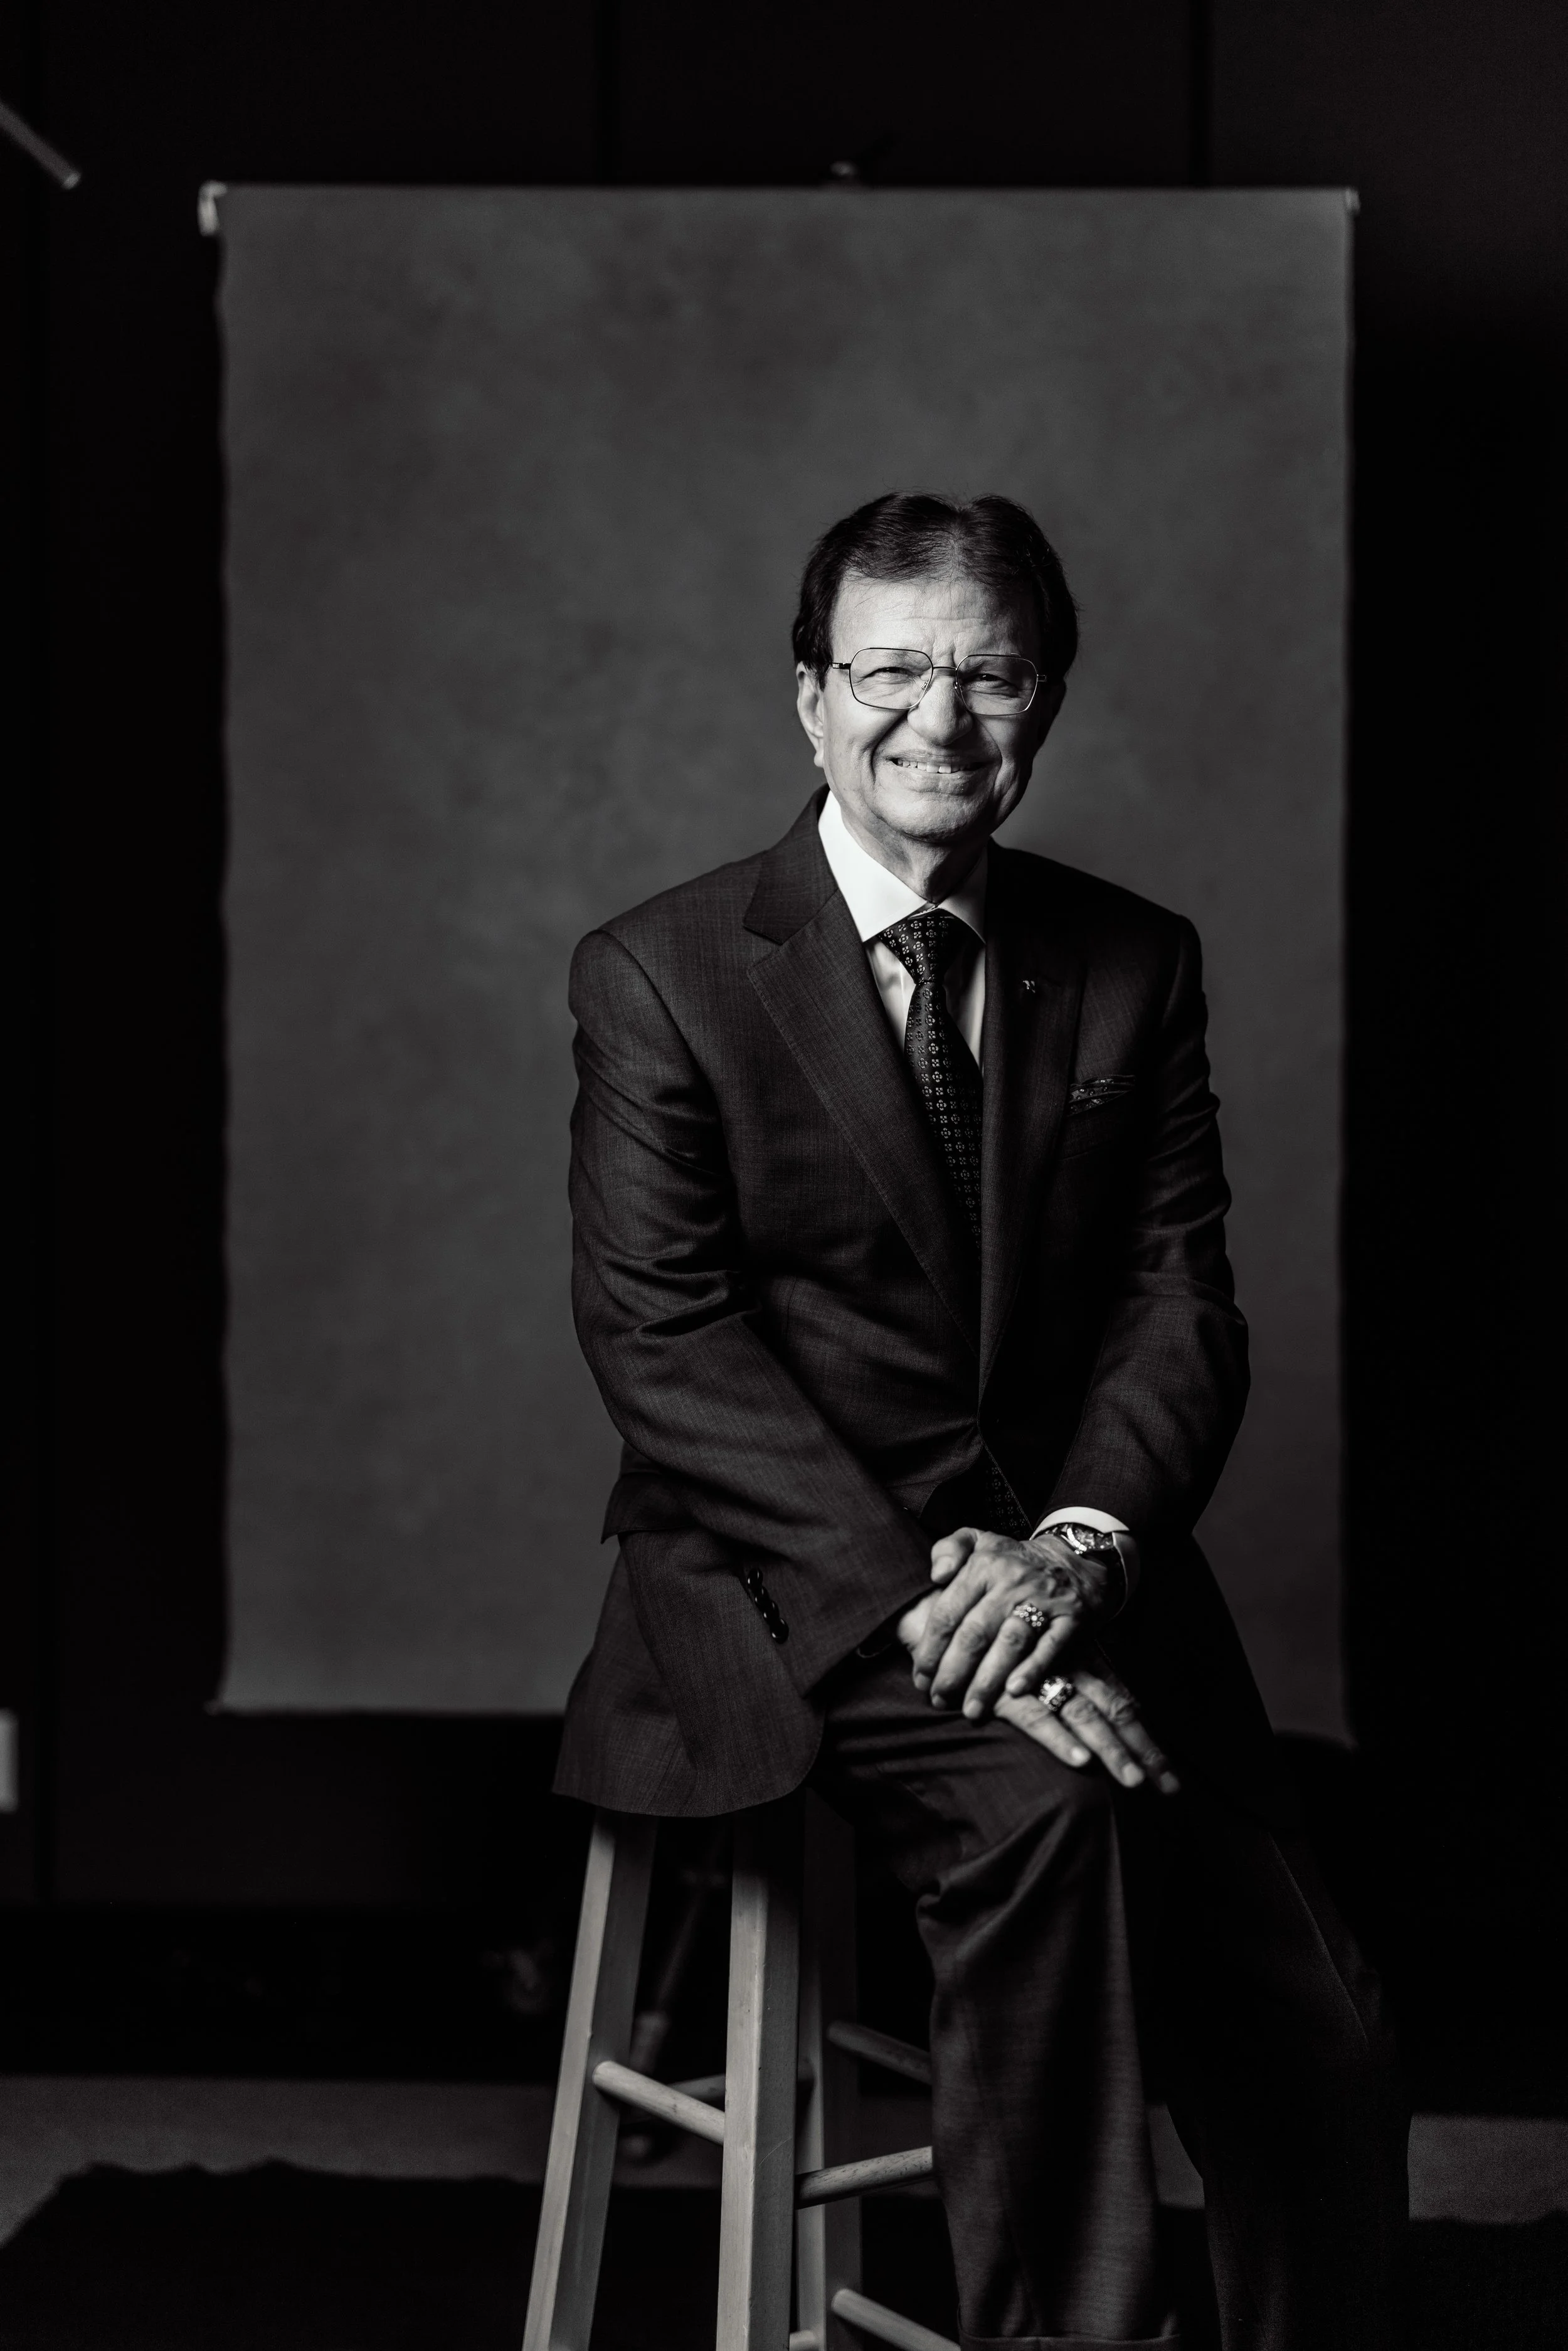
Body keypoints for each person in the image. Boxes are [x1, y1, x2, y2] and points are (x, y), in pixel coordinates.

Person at [556, 492, 1405, 2349]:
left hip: (1067, 1561)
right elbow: (664, 1338)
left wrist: (1074, 1551)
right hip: (791, 1574)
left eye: (991, 676)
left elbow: (1178, 1303)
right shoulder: (661, 972)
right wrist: (932, 1603)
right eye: (888, 671)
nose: (936, 719)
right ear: (809, 697)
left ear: (1047, 703)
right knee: (1048, 1826)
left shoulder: (1134, 960)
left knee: (1321, 2014)